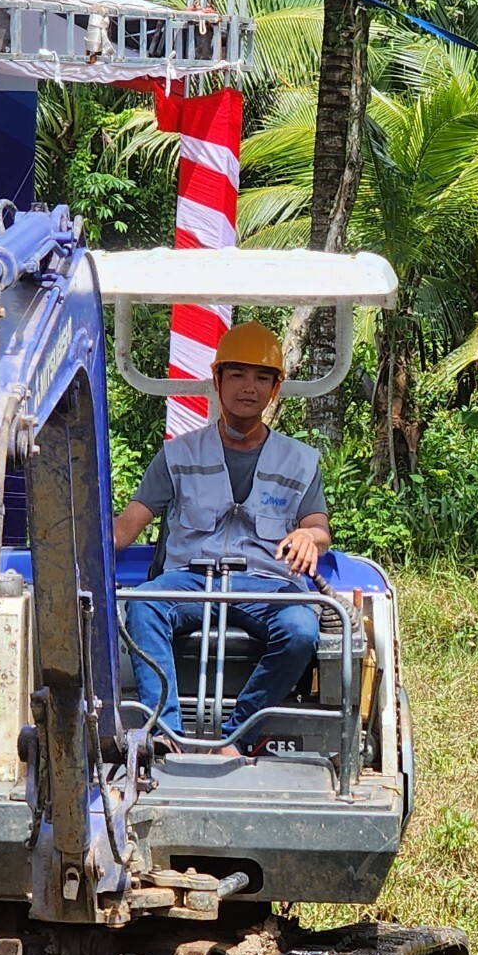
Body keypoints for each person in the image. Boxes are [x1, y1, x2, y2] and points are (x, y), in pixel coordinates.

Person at [114, 321, 329, 756]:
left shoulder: (301, 461)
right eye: (237, 375)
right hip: (190, 582)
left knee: (302, 629)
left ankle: (237, 737)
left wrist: (309, 535)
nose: (248, 387)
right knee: (141, 605)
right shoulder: (178, 455)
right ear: (217, 380)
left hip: (265, 585)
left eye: (261, 377)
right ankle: (166, 734)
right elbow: (122, 530)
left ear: (275, 388)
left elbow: (318, 527)